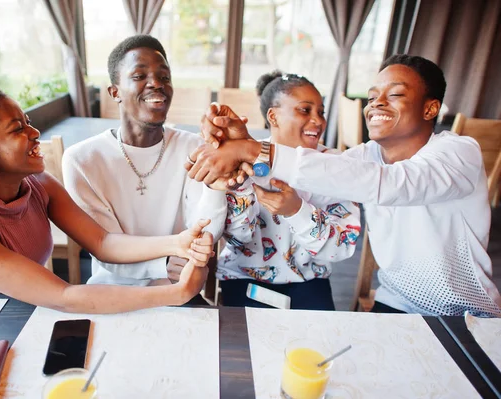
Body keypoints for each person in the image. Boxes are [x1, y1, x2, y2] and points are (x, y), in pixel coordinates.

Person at [186, 54, 501, 317]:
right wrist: (237, 148)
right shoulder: (357, 159)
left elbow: (391, 185)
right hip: (394, 303)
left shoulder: (459, 152)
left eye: (394, 94)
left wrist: (256, 154)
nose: (375, 103)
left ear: (430, 108)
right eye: (373, 95)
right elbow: (333, 171)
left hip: (467, 312)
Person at [0, 62, 215, 314]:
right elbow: (63, 296)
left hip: (25, 312)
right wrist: (176, 293)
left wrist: (177, 243)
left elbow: (103, 241)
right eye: (18, 130)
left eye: (27, 121)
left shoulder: (38, 185)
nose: (34, 132)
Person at [62, 35, 226, 291]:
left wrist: (218, 182)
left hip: (178, 290)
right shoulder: (82, 160)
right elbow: (104, 245)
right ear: (114, 92)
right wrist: (161, 264)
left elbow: (205, 229)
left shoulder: (194, 148)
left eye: (164, 77)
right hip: (111, 292)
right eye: (139, 76)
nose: (156, 84)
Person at [217, 71, 360, 310]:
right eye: (305, 110)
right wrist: (241, 188)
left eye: (321, 112)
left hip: (309, 279)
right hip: (245, 277)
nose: (318, 120)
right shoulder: (245, 162)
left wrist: (297, 211)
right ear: (273, 116)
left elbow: (342, 246)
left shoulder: (335, 165)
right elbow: (238, 238)